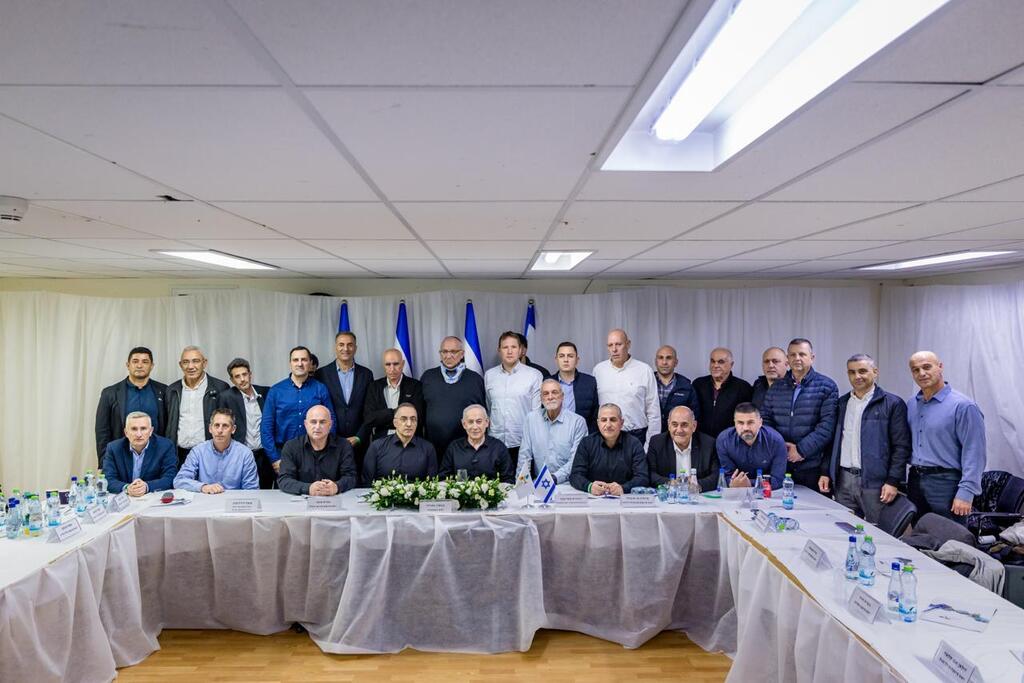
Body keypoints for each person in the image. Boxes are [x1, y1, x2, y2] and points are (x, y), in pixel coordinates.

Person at [819, 355, 910, 523]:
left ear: (875, 372)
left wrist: (893, 481)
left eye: (862, 371)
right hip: (843, 480)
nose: (857, 376)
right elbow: (833, 443)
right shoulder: (842, 403)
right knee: (845, 529)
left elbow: (901, 446)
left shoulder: (892, 404)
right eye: (852, 372)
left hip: (876, 483)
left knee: (880, 533)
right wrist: (826, 472)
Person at [906, 351, 986, 523]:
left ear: (940, 367)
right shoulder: (912, 404)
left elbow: (975, 452)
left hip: (947, 484)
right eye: (915, 370)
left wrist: (967, 492)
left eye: (927, 367)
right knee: (920, 537)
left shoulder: (964, 406)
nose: (922, 373)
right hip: (915, 480)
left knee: (950, 542)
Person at [760, 338, 839, 490]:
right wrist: (781, 447)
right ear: (787, 359)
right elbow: (766, 420)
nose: (797, 358)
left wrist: (801, 450)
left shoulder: (827, 386)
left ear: (812, 357)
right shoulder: (776, 387)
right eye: (793, 355)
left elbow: (826, 427)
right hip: (780, 463)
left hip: (812, 465)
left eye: (802, 354)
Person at [261, 346, 336, 474]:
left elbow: (331, 421)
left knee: (315, 492)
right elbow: (266, 428)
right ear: (290, 363)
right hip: (284, 455)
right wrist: (275, 458)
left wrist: (327, 453)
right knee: (285, 492)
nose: (300, 363)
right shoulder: (276, 391)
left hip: (316, 455)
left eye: (304, 360)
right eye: (295, 360)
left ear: (310, 363)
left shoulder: (320, 389)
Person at [95, 346, 168, 465]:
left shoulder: (164, 391)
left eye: (145, 362)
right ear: (128, 365)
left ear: (152, 366)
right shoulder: (110, 393)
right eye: (135, 361)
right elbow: (102, 431)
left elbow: (169, 427)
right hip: (120, 457)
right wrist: (104, 462)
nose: (140, 365)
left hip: (155, 458)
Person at [593, 329, 660, 450]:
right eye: (610, 345)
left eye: (618, 344)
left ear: (628, 344)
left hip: (637, 436)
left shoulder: (644, 370)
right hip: (606, 436)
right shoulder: (598, 370)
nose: (614, 349)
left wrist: (650, 444)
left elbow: (654, 411)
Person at [420, 336, 486, 458]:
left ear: (462, 354)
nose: (448, 356)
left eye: (453, 352)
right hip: (433, 448)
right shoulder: (428, 377)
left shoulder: (475, 379)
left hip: (467, 449)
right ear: (440, 354)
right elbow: (420, 413)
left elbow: (483, 415)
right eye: (444, 351)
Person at [165, 345, 230, 465]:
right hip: (179, 455)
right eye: (186, 362)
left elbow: (228, 423)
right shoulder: (172, 390)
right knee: (180, 484)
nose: (190, 366)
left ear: (204, 363)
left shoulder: (220, 388)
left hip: (211, 453)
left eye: (196, 361)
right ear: (180, 365)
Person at [315, 331, 373, 460]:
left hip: (359, 443)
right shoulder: (321, 374)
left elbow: (369, 410)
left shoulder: (366, 374)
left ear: (355, 348)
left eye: (350, 345)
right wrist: (329, 436)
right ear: (335, 347)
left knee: (359, 479)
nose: (345, 349)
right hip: (329, 443)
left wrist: (359, 437)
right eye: (341, 344)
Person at [517, 379, 588, 484]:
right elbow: (524, 456)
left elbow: (576, 460)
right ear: (541, 399)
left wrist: (554, 478)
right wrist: (522, 485)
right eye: (545, 394)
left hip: (568, 484)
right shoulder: (531, 419)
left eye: (554, 392)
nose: (550, 397)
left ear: (562, 396)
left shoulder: (577, 422)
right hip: (540, 483)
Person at [570, 404, 649, 495]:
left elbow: (643, 477)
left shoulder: (634, 444)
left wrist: (624, 488)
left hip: (624, 500)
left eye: (613, 420)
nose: (608, 425)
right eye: (603, 420)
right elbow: (575, 475)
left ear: (621, 422)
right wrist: (589, 486)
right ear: (598, 423)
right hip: (593, 500)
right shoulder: (586, 443)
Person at [173, 408, 259, 493]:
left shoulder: (245, 454)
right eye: (216, 425)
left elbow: (251, 490)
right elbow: (179, 481)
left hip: (233, 503)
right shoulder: (198, 451)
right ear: (210, 428)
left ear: (233, 429)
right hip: (205, 502)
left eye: (225, 426)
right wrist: (203, 487)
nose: (220, 430)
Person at [277, 405, 357, 496]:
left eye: (322, 422)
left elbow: (351, 477)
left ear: (330, 424)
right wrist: (308, 488)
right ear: (306, 424)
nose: (317, 427)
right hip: (301, 503)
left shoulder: (343, 446)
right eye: (313, 422)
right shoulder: (291, 447)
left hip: (334, 501)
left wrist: (336, 486)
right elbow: (284, 480)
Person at [484, 331, 542, 456]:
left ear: (521, 350)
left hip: (523, 444)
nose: (509, 351)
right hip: (495, 443)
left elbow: (536, 415)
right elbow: (489, 408)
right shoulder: (489, 375)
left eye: (514, 347)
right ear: (499, 350)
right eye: (505, 347)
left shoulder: (534, 375)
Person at [219, 358, 274, 489]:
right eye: (237, 376)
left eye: (244, 374)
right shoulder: (226, 397)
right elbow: (222, 425)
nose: (242, 379)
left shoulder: (266, 392)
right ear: (232, 380)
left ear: (250, 374)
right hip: (240, 455)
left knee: (266, 491)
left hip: (265, 454)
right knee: (242, 493)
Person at [101, 411, 177, 496]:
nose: (139, 434)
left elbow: (170, 478)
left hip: (152, 499)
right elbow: (107, 479)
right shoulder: (114, 448)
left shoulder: (165, 446)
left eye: (143, 428)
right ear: (126, 432)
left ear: (151, 431)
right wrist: (127, 488)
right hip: (125, 499)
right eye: (134, 429)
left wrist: (147, 486)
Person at [716, 403, 787, 490]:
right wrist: (732, 482)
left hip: (767, 494)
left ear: (760, 422)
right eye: (740, 423)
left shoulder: (776, 441)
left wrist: (750, 483)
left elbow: (778, 480)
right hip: (736, 492)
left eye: (750, 422)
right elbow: (726, 476)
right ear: (734, 423)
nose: (745, 428)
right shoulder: (724, 440)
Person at [647, 406, 719, 491]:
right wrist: (671, 483)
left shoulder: (708, 444)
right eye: (674, 424)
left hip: (698, 498)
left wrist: (695, 485)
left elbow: (716, 476)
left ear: (694, 426)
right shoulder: (657, 443)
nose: (679, 430)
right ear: (668, 425)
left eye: (684, 425)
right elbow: (650, 474)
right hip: (669, 497)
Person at [362, 348, 425, 444]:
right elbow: (369, 418)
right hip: (381, 442)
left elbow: (418, 417)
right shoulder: (374, 387)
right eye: (388, 364)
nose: (392, 369)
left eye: (396, 364)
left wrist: (383, 417)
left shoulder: (416, 386)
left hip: (410, 441)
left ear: (403, 364)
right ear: (384, 365)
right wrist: (396, 412)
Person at [362, 403, 438, 483]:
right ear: (395, 423)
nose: (409, 424)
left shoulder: (428, 449)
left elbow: (431, 484)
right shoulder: (377, 446)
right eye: (403, 419)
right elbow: (367, 483)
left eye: (413, 419)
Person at [440, 405, 514, 482]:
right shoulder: (454, 448)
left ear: (487, 423)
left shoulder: (499, 448)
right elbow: (443, 478)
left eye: (479, 421)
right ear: (464, 424)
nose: (475, 427)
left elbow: (508, 480)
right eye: (470, 422)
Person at [692, 347, 753, 439]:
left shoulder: (743, 388)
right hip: (702, 442)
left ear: (731, 364)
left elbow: (746, 419)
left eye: (721, 362)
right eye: (712, 361)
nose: (715, 365)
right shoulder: (698, 384)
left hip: (730, 441)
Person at [551, 341, 599, 433]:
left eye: (570, 356)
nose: (566, 360)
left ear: (577, 360)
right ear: (556, 359)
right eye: (561, 356)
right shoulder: (547, 382)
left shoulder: (590, 382)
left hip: (583, 436)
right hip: (554, 435)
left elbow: (595, 416)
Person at [654, 345, 700, 432]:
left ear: (676, 362)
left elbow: (694, 415)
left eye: (669, 358)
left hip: (677, 434)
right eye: (660, 358)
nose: (664, 362)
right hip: (651, 435)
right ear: (656, 361)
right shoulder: (646, 382)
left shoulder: (687, 387)